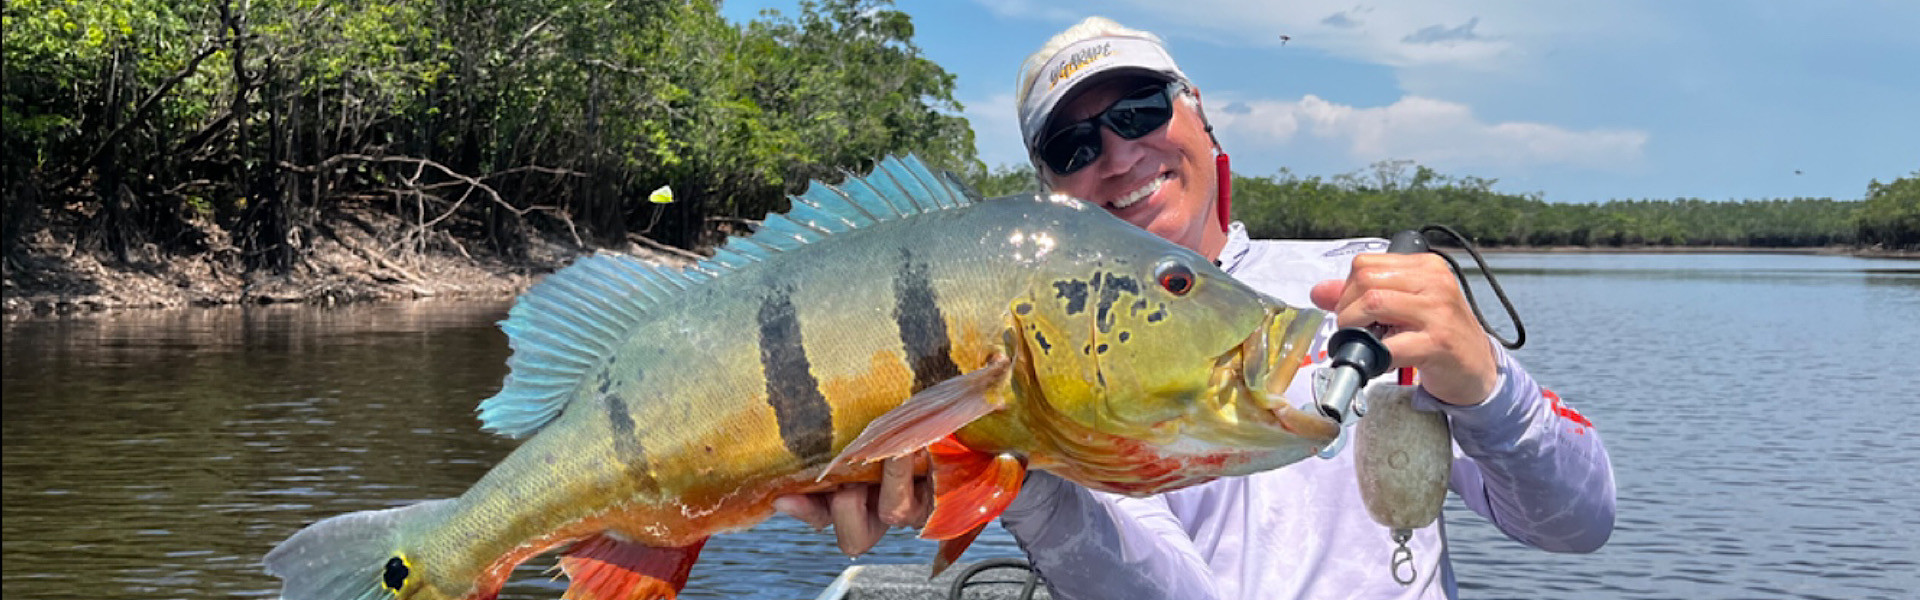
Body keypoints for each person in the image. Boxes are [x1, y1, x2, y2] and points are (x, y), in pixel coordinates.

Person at [777, 16, 1616, 599]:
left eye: (1139, 110)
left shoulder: (1366, 291)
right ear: (1050, 198)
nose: (1117, 153)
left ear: (1200, 113)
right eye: (1073, 146)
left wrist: (1484, 382)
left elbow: (1577, 522)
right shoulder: (1054, 359)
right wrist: (1014, 472)